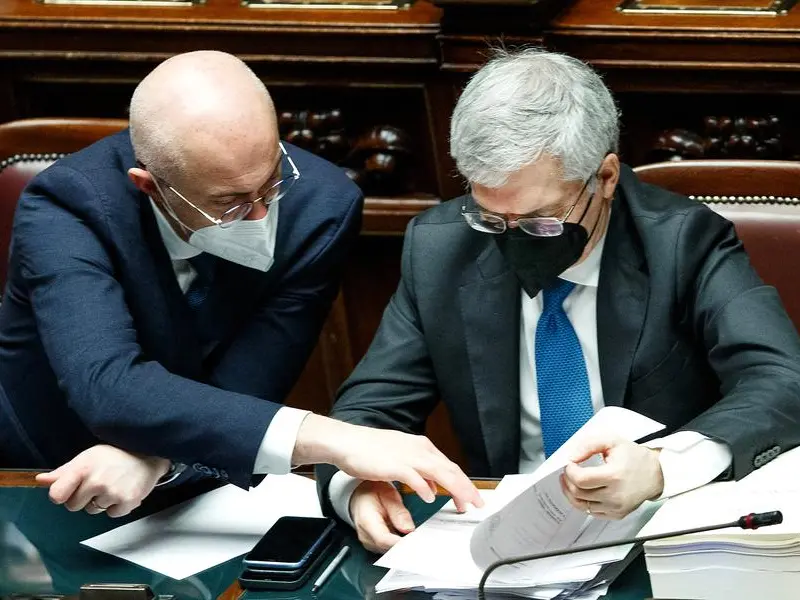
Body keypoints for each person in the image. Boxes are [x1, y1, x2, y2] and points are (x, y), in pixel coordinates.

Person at [316, 47, 800, 553]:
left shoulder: (683, 242)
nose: (513, 239)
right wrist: (355, 487)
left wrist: (663, 467)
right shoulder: (442, 249)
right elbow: (368, 409)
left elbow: (780, 380)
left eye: (540, 220)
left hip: (660, 534)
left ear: (605, 178)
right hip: (503, 545)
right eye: (491, 218)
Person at [0, 51, 482, 518]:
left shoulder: (319, 206)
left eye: (271, 181)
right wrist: (334, 438)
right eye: (228, 203)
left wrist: (158, 459)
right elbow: (108, 383)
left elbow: (250, 385)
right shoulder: (67, 205)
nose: (261, 216)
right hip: (44, 476)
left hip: (201, 482)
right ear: (149, 185)